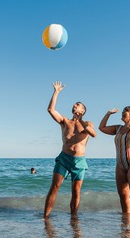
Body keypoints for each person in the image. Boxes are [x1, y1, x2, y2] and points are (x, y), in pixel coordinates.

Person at [43, 81, 96, 219]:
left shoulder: (87, 123)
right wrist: (56, 92)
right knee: (54, 187)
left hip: (79, 162)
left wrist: (81, 120)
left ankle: (74, 218)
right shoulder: (65, 121)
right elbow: (51, 110)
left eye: (77, 105)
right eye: (74, 104)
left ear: (82, 111)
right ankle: (46, 218)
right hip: (64, 159)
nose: (74, 105)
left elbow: (93, 134)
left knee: (76, 191)